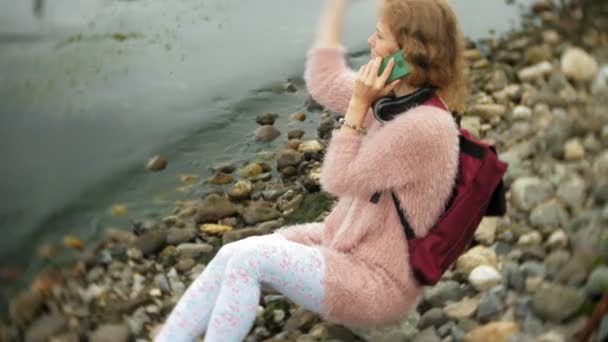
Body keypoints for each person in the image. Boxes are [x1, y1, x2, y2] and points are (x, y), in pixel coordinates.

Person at [155, 0, 466, 340]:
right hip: (346, 244)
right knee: (233, 252)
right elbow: (325, 80)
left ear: (406, 53)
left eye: (379, 35)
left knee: (249, 259)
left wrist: (359, 106)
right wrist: (335, 9)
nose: (370, 42)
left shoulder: (425, 126)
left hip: (378, 281)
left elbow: (337, 179)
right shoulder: (396, 97)